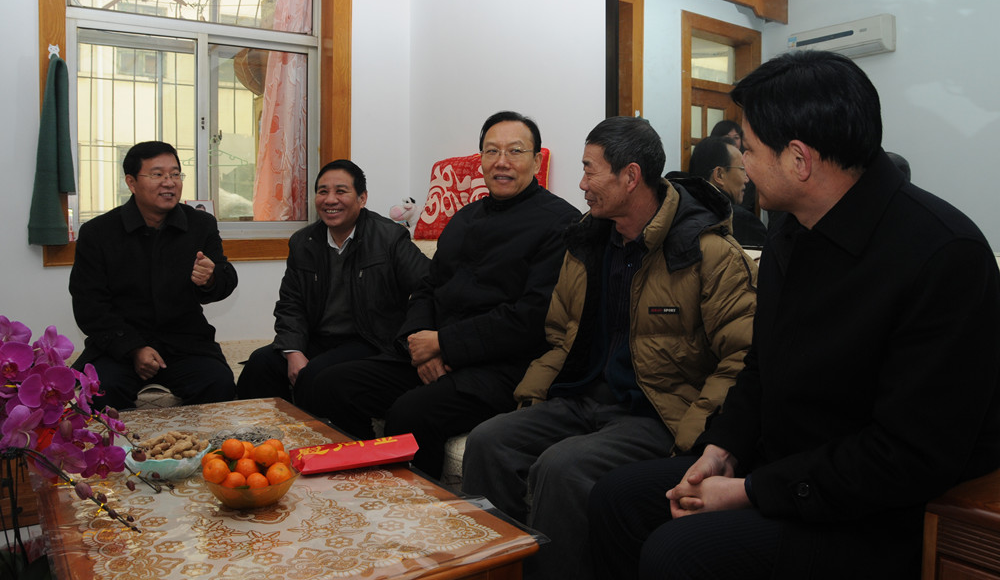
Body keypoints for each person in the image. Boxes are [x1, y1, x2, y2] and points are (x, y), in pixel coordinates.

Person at [588, 50, 1000, 580]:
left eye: (749, 150)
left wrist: (751, 490)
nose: (744, 166)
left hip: (875, 509)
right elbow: (762, 365)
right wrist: (723, 449)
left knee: (679, 552)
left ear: (799, 160)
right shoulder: (793, 226)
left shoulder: (944, 255)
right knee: (616, 497)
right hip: (785, 467)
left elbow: (906, 456)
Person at [462, 116, 758, 580]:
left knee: (561, 467)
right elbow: (561, 334)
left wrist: (696, 434)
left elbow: (741, 357)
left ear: (631, 176)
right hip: (583, 397)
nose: (581, 184)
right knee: (488, 441)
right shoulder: (587, 241)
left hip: (657, 410)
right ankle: (493, 573)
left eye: (589, 170)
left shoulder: (707, 252)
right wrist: (533, 398)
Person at [309, 111, 580, 478]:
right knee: (330, 385)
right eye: (491, 151)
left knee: (410, 414)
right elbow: (428, 286)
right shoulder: (465, 218)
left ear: (536, 161)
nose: (501, 162)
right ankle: (364, 482)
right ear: (481, 160)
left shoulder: (561, 222)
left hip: (500, 368)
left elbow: (532, 316)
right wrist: (420, 342)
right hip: (439, 349)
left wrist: (444, 345)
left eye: (515, 151)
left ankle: (418, 505)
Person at [236, 160, 430, 410]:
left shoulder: (389, 237)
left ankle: (316, 435)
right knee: (260, 363)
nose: (330, 200)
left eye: (341, 191)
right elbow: (291, 303)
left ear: (362, 198)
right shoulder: (303, 242)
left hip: (371, 340)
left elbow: (429, 284)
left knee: (316, 375)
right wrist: (293, 351)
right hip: (319, 338)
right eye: (323, 191)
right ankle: (269, 434)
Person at [69, 141, 238, 410]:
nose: (169, 183)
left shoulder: (200, 224)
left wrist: (211, 278)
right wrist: (133, 348)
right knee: (101, 391)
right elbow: (89, 306)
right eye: (157, 174)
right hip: (118, 345)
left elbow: (225, 279)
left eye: (175, 174)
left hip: (185, 344)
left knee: (218, 382)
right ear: (131, 182)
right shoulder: (98, 233)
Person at [689, 135, 767, 247]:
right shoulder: (741, 221)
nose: (747, 179)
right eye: (742, 169)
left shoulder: (680, 211)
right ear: (719, 175)